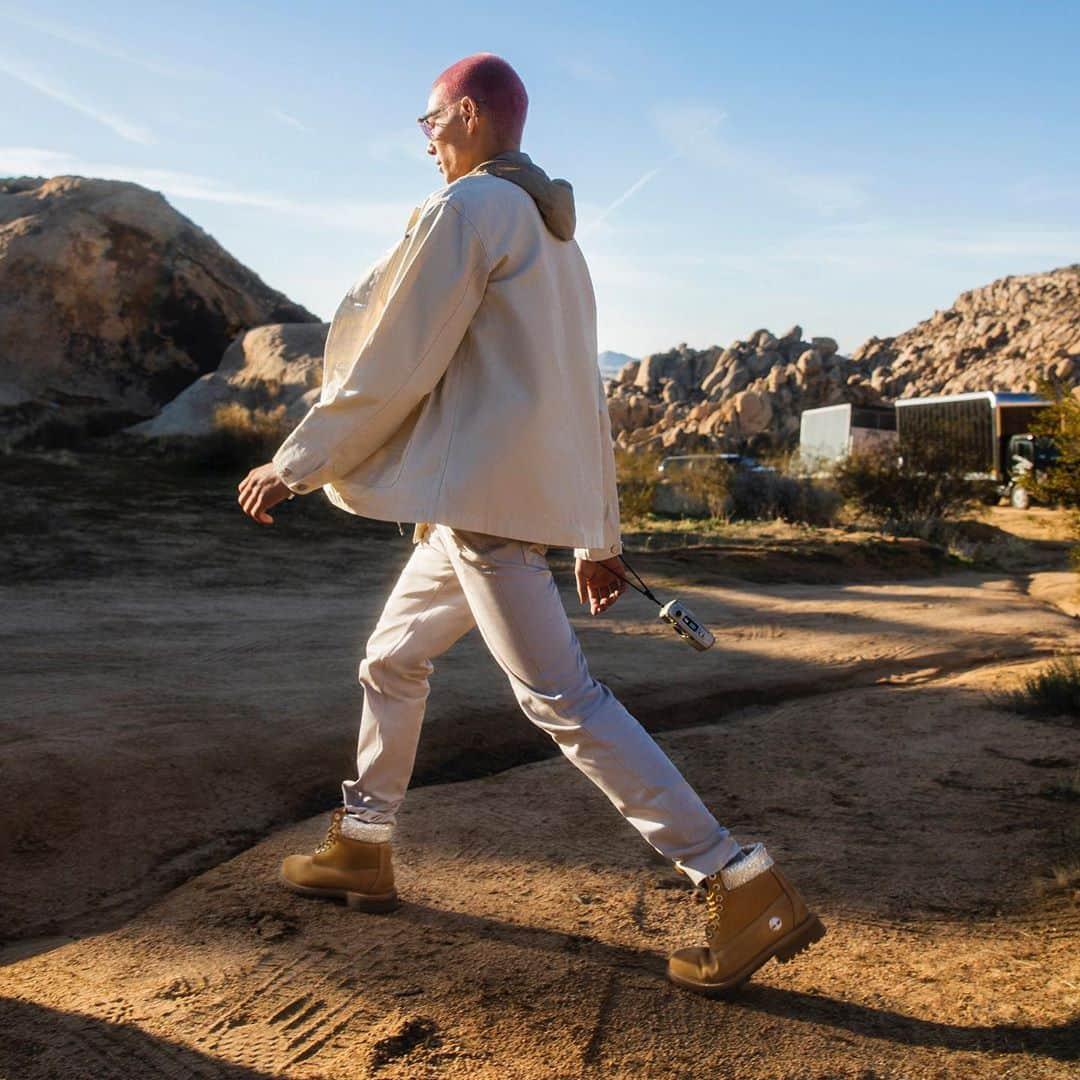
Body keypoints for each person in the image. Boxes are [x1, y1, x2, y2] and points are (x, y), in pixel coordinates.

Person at [236, 52, 824, 996]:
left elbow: (397, 357)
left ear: (466, 115)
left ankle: (738, 879)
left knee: (564, 700)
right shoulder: (559, 239)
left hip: (482, 510)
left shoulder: (469, 208)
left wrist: (293, 462)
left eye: (428, 123)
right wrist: (600, 533)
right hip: (482, 510)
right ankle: (364, 842)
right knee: (391, 658)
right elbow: (579, 397)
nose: (424, 142)